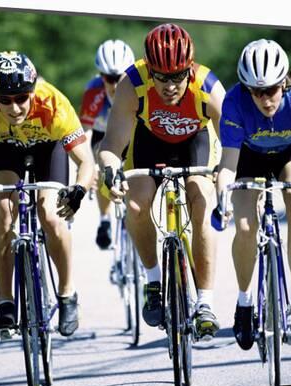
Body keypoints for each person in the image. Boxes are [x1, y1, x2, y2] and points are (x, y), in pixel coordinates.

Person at [0, 51, 95, 336]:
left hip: (47, 150)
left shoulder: (54, 103)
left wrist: (78, 189)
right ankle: (5, 301)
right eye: (4, 100)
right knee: (3, 214)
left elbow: (85, 161)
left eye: (21, 98)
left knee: (50, 216)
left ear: (32, 91)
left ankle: (67, 293)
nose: (14, 107)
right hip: (5, 151)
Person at [98, 23, 225, 339]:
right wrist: (111, 171)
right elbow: (111, 146)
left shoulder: (208, 86)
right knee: (137, 204)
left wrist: (226, 179)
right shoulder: (132, 83)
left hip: (194, 143)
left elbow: (233, 146)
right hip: (149, 142)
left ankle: (206, 303)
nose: (170, 85)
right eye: (161, 76)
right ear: (148, 69)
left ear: (189, 69)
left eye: (178, 76)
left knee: (202, 202)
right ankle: (153, 280)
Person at [213, 39, 291, 350]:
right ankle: (244, 302)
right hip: (248, 157)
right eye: (257, 91)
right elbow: (227, 166)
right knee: (246, 226)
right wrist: (222, 199)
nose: (265, 99)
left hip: (290, 155)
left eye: (272, 90)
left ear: (285, 81)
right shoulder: (235, 102)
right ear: (246, 89)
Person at [79, 39, 135, 249]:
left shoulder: (137, 88)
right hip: (103, 134)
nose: (113, 85)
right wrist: (89, 166)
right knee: (103, 172)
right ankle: (105, 219)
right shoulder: (94, 90)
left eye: (118, 78)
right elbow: (84, 132)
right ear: (100, 76)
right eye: (108, 78)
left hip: (131, 133)